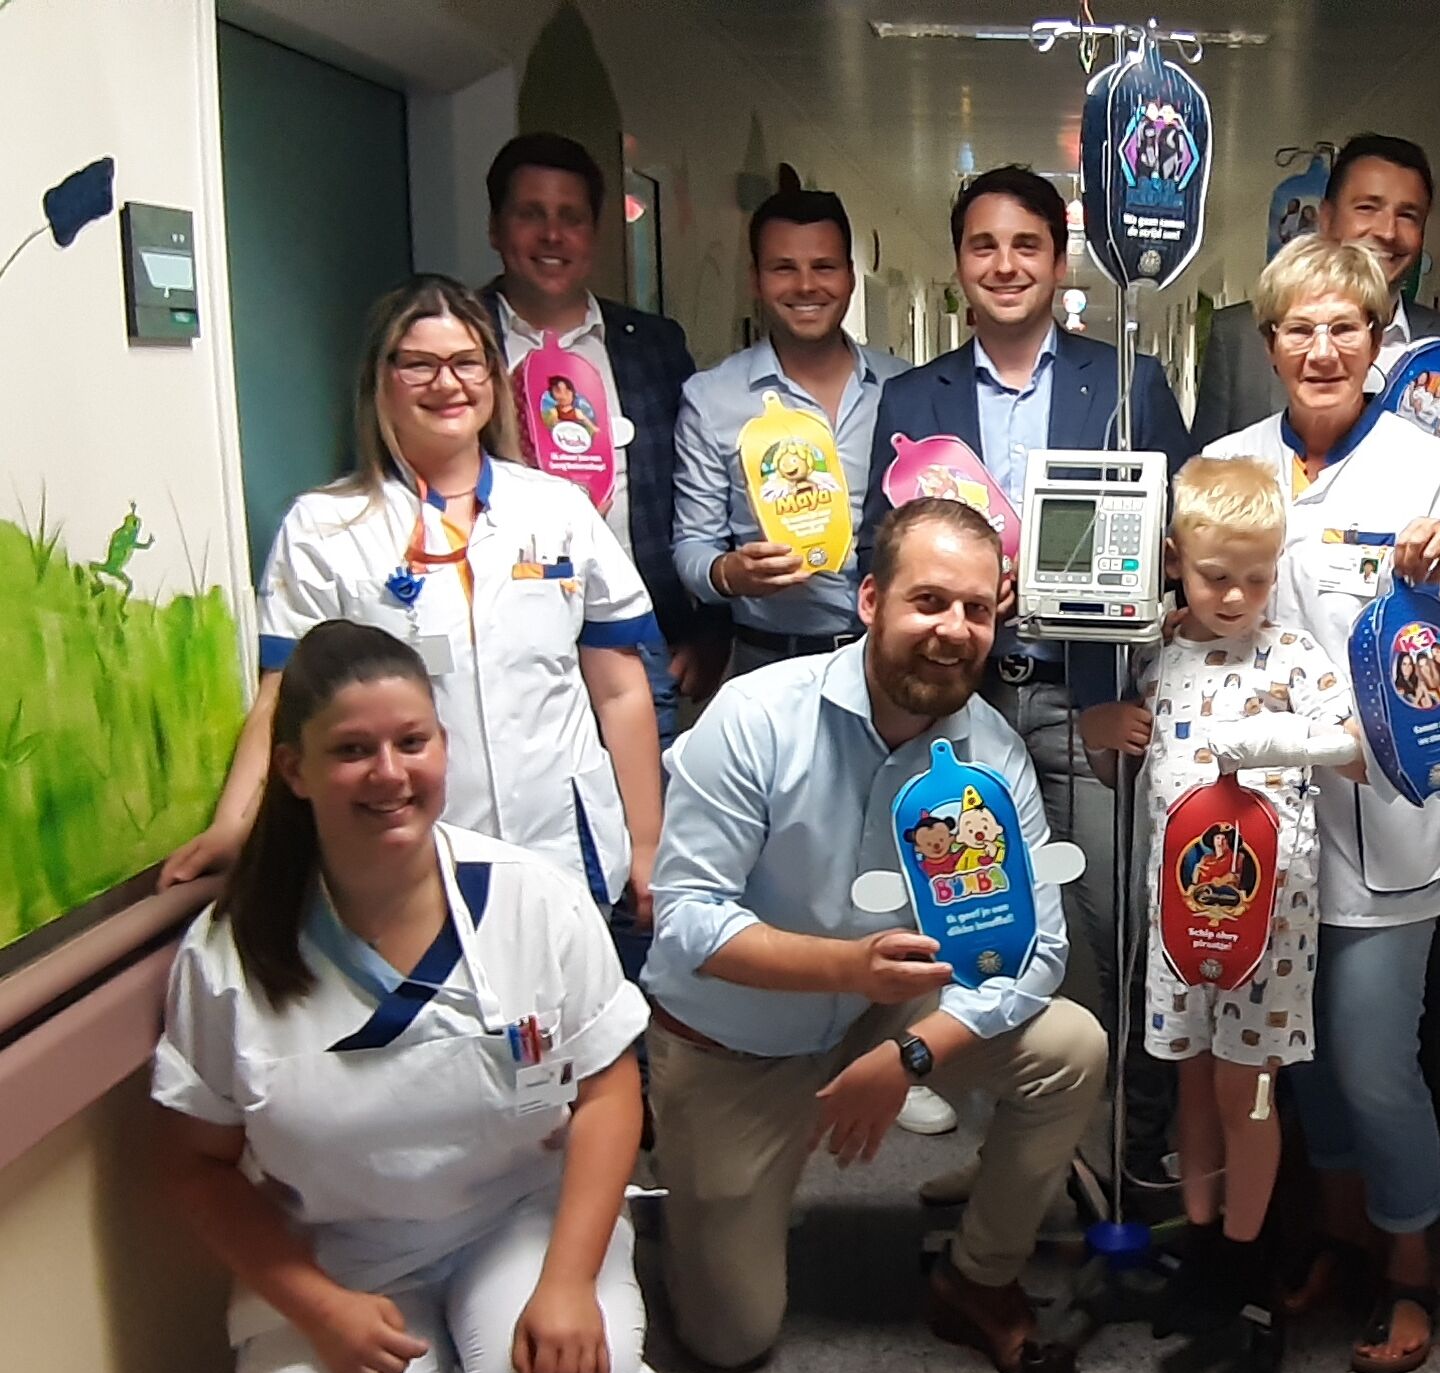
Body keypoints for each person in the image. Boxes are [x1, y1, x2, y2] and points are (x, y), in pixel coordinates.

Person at [150, 621, 651, 1373]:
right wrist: (318, 1308)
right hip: (337, 1249)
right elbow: (192, 1166)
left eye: (411, 741)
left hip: (516, 1219)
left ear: (442, 747)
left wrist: (566, 1279)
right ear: (293, 771)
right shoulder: (230, 953)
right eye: (352, 750)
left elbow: (607, 1086)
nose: (389, 773)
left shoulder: (532, 900)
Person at [641, 495, 1107, 1373]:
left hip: (887, 1005)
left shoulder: (991, 752)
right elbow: (688, 918)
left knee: (1071, 1048)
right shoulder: (755, 716)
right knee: (731, 1340)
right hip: (738, 1036)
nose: (954, 630)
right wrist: (848, 967)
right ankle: (690, 1185)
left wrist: (912, 1054)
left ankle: (977, 1278)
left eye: (977, 610)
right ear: (869, 602)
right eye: (929, 601)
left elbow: (1036, 950)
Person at [862, 165, 1196, 1186]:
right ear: (957, 263)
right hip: (957, 706)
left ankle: (1132, 1146)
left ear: (1059, 261)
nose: (1005, 265)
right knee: (975, 926)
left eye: (1027, 245)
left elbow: (1176, 541)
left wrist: (1120, 659)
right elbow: (884, 551)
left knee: (1114, 928)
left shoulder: (1127, 381)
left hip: (1082, 702)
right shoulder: (913, 397)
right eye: (984, 245)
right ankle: (1006, 1156)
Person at [159, 276, 664, 936]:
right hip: (403, 853)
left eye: (466, 362)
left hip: (562, 849)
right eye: (419, 364)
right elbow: (284, 697)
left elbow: (619, 689)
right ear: (382, 378)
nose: (447, 383)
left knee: (567, 995)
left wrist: (648, 843)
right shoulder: (325, 528)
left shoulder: (557, 509)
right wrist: (235, 825)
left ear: (493, 376)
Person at [1201, 235, 1440, 1373]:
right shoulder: (1228, 463)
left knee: (1374, 1061)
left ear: (1378, 340)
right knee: (1301, 1055)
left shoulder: (1431, 469)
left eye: (1345, 328)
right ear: (1269, 341)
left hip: (1386, 824)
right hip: (1259, 820)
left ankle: (1411, 1259)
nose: (1322, 349)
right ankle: (1333, 1237)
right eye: (1299, 328)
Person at [1079, 457, 1365, 1352]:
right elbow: (1117, 770)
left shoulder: (1294, 658)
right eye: (1214, 577)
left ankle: (1243, 1256)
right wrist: (1101, 734)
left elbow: (1359, 751)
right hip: (1179, 917)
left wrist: (1279, 740)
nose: (1236, 597)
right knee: (1193, 1080)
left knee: (1249, 1088)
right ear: (1174, 562)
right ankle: (1203, 1246)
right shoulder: (1159, 657)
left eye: (1255, 578)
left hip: (1268, 924)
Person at [483, 131, 706, 734]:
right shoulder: (458, 340)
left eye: (571, 217)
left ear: (595, 232)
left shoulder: (654, 346)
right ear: (496, 229)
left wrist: (704, 629)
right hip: (500, 645)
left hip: (641, 641)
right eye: (531, 215)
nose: (552, 235)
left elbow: (699, 491)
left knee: (645, 799)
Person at [673, 188, 903, 679]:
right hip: (769, 663)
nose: (805, 285)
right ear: (755, 280)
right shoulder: (711, 399)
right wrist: (729, 574)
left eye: (824, 267)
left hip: (893, 661)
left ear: (850, 277)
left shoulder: (904, 388)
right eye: (783, 268)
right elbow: (692, 543)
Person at [1192, 134, 1440, 446]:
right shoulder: (1239, 337)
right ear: (1326, 218)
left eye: (1408, 215)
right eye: (1367, 208)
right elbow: (1205, 470)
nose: (1388, 231)